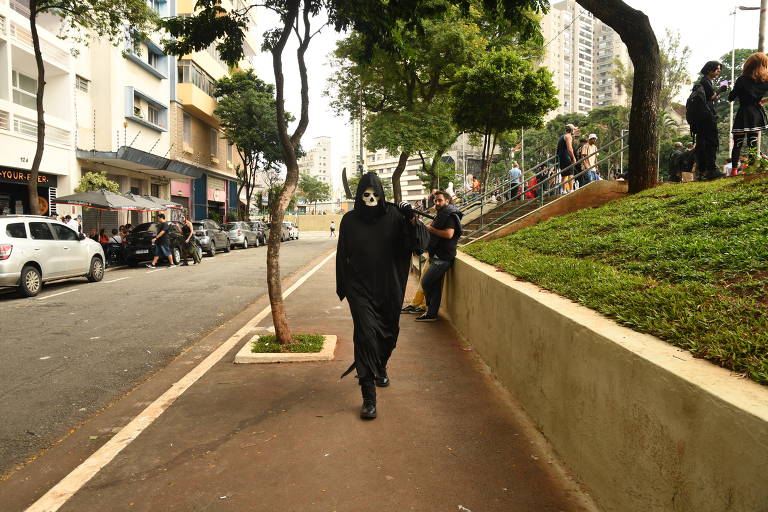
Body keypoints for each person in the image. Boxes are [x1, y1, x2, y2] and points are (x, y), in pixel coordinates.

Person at [336, 172, 428, 420]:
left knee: (389, 333)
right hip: (360, 289)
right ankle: (368, 396)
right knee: (365, 335)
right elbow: (342, 254)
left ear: (382, 195)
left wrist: (412, 219)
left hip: (389, 287)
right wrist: (344, 286)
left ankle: (381, 365)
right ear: (359, 196)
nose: (371, 199)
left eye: (375, 194)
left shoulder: (396, 216)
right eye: (366, 194)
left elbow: (419, 244)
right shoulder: (349, 221)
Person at [416, 190, 463, 323]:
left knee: (426, 282)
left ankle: (430, 308)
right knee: (435, 286)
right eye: (435, 200)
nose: (437, 202)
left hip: (443, 258)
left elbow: (449, 234)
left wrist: (431, 229)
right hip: (436, 255)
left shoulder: (449, 215)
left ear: (447, 201)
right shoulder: (441, 214)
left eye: (440, 200)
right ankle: (431, 314)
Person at [729, 52, 768, 167]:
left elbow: (731, 97)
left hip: (743, 113)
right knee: (753, 143)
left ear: (748, 64)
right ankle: (750, 169)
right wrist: (762, 101)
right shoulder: (765, 81)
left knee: (737, 144)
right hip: (756, 113)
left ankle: (734, 169)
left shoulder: (742, 79)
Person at [693, 61, 729, 180]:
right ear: (710, 70)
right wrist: (721, 89)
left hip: (702, 119)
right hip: (707, 118)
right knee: (712, 143)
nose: (719, 71)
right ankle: (711, 170)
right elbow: (711, 97)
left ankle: (702, 170)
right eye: (717, 69)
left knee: (702, 143)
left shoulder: (704, 81)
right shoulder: (705, 81)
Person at [557, 124, 578, 193]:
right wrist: (573, 157)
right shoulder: (568, 136)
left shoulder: (562, 136)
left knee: (564, 174)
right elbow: (569, 148)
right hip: (566, 157)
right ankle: (571, 190)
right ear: (571, 130)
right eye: (574, 129)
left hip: (561, 157)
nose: (574, 131)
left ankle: (563, 190)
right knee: (571, 173)